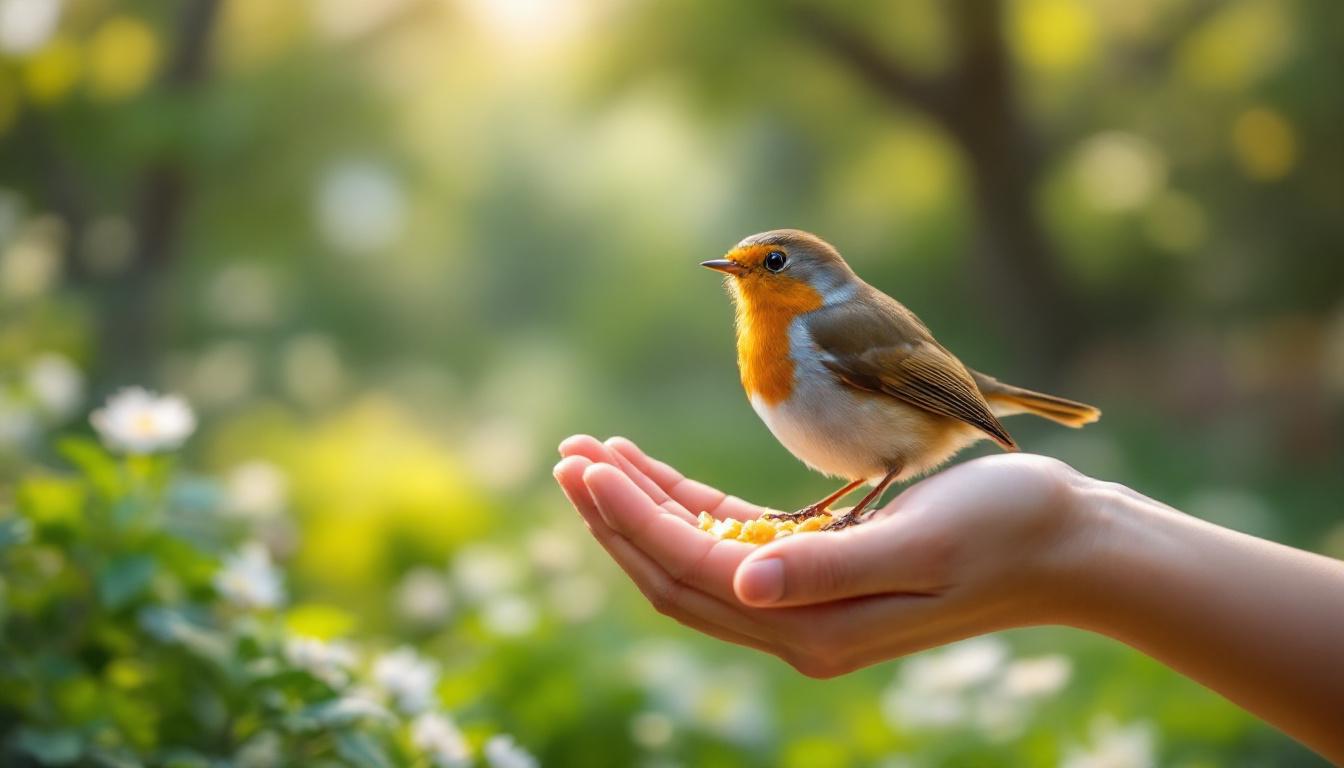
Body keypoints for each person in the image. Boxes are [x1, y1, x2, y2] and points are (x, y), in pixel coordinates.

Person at [553, 434, 1344, 763]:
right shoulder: (769, 338)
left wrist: (1073, 534)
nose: (740, 277)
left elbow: (896, 411)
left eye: (768, 265)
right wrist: (1079, 535)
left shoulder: (817, 329)